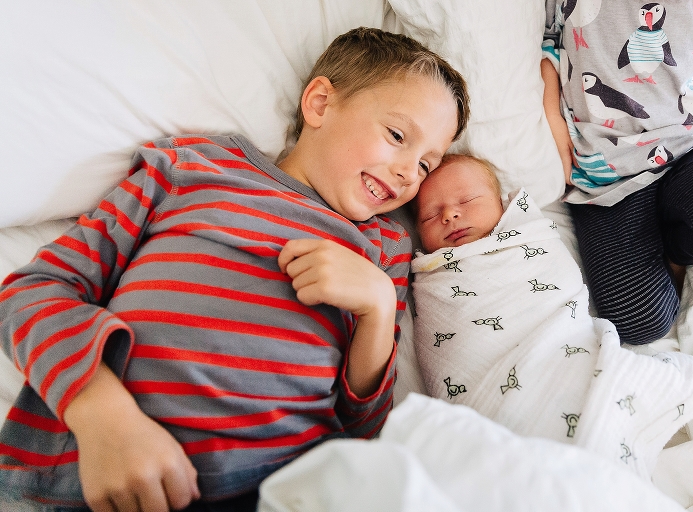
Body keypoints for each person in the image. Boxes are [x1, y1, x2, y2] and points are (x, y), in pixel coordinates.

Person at [0, 27, 470, 511]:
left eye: (427, 166)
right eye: (397, 136)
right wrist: (103, 413)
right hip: (111, 482)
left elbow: (364, 428)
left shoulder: (383, 247)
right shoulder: (192, 169)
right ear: (321, 103)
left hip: (282, 492)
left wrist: (375, 307)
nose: (409, 173)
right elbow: (33, 290)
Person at [408, 154, 693, 475]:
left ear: (503, 206)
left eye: (467, 200)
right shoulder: (434, 279)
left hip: (561, 355)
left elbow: (559, 289)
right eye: (430, 216)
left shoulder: (530, 239)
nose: (450, 214)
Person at [541, 0, 693, 344]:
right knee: (639, 322)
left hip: (692, 143)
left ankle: (677, 247)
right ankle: (666, 235)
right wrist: (554, 120)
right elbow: (547, 38)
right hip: (608, 168)